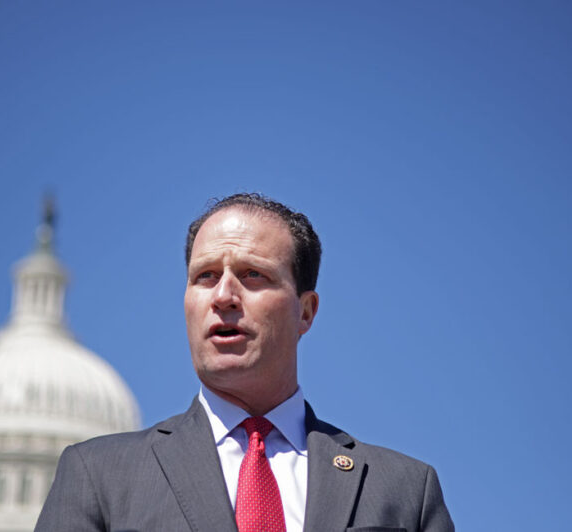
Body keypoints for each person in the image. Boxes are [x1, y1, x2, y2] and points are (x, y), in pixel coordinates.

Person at [36, 193, 454, 532]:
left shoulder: (404, 491)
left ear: (306, 312)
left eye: (253, 274)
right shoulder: (100, 476)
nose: (223, 296)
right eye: (205, 276)